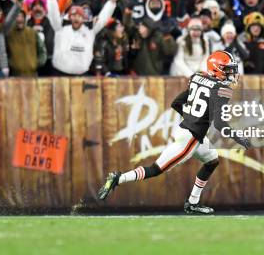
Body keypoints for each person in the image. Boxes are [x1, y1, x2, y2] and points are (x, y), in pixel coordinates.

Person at [97, 51, 251, 214]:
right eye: (227, 70)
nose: (231, 74)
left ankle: (192, 202)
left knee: (212, 160)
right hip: (190, 138)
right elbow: (219, 123)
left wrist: (192, 118)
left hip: (188, 132)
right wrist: (239, 138)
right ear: (216, 69)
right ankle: (118, 178)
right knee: (156, 169)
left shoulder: (197, 78)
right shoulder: (222, 89)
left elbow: (176, 103)